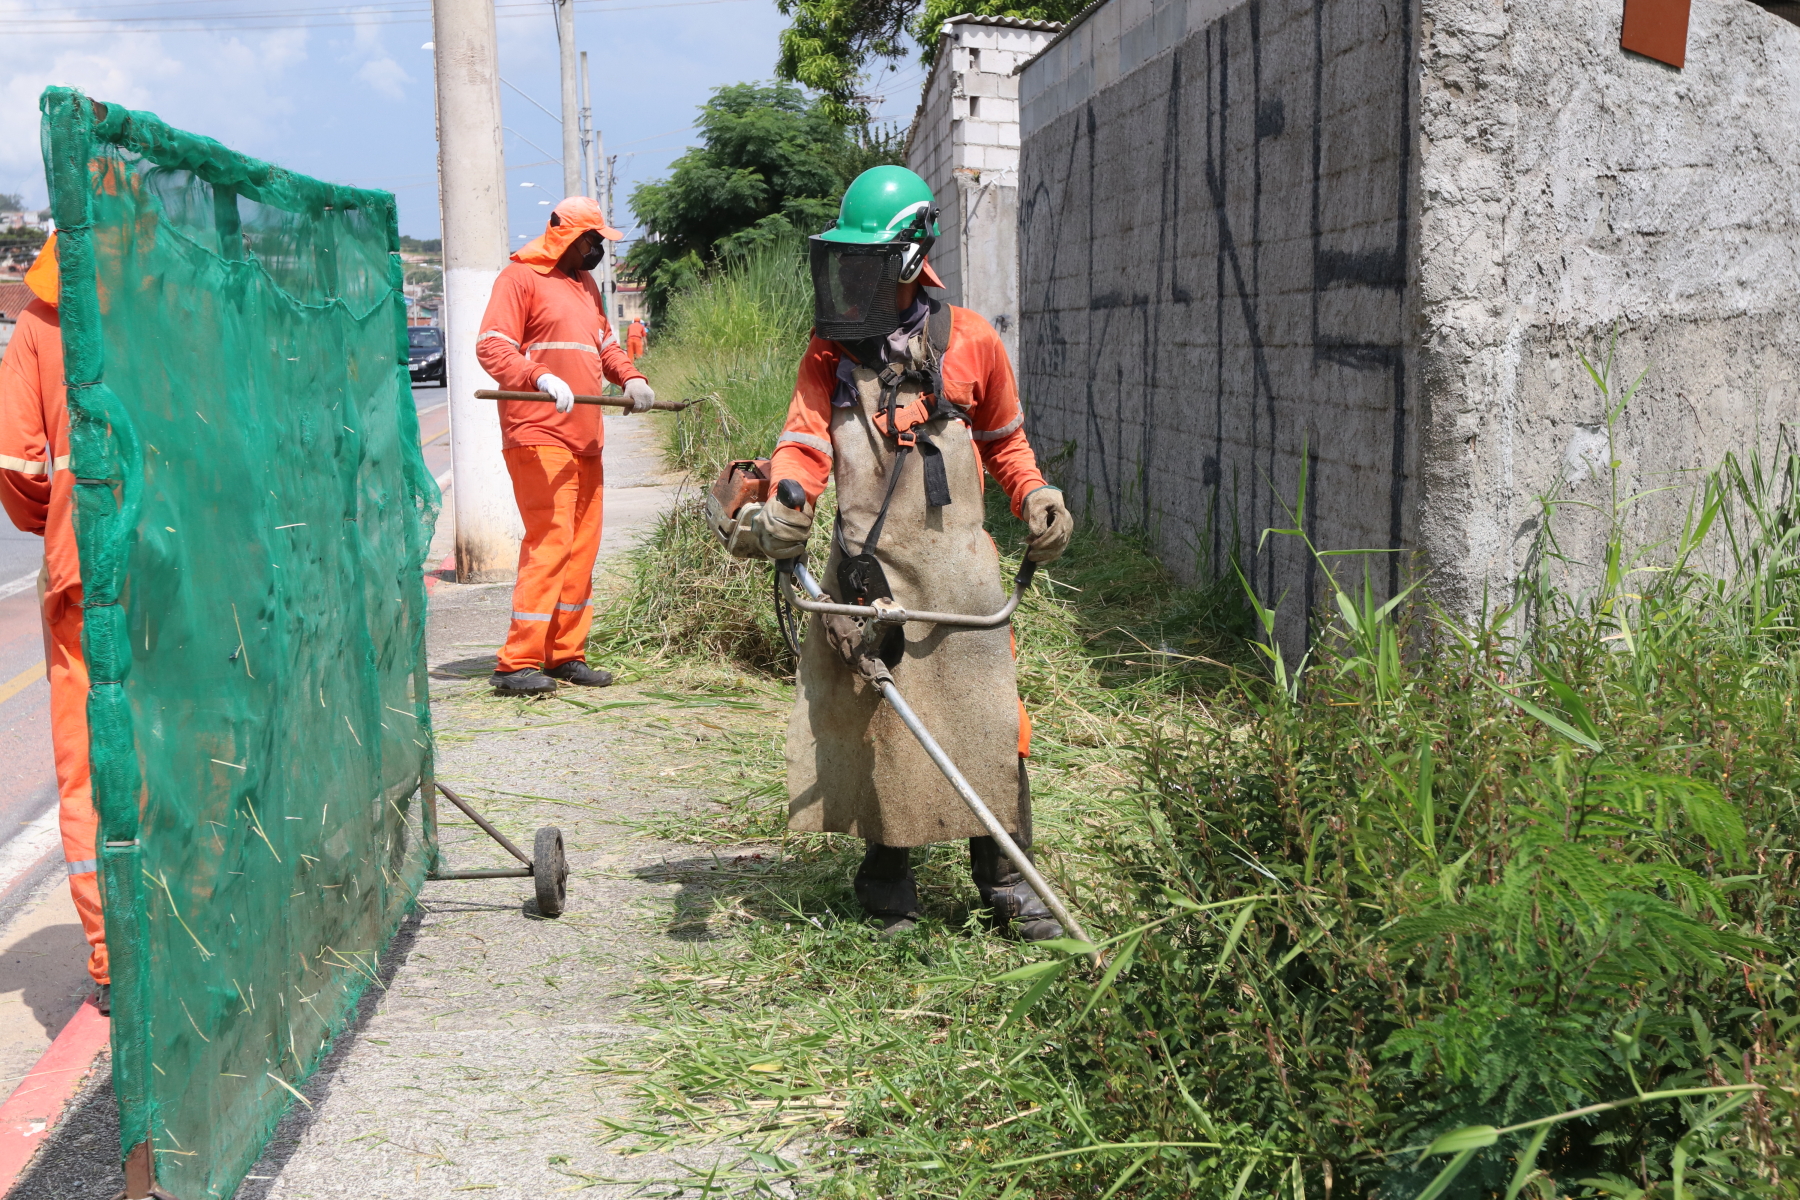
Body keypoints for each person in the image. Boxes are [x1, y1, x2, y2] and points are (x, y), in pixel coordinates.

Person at [729, 167, 1075, 940]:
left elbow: (1004, 443)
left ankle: (1007, 882)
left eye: (867, 262)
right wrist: (787, 502)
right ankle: (889, 887)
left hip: (961, 573)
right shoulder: (830, 353)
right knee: (883, 715)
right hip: (870, 572)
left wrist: (1036, 497)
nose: (849, 280)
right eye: (844, 262)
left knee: (993, 718)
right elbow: (802, 442)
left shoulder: (974, 342)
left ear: (912, 259)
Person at [476, 197, 655, 696]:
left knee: (581, 549)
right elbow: (491, 345)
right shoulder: (520, 278)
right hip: (538, 432)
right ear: (565, 236)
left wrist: (631, 378)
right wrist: (537, 374)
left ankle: (563, 654)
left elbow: (606, 346)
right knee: (550, 543)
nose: (598, 249)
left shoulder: (585, 286)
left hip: (585, 436)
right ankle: (517, 662)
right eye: (592, 240)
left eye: (601, 241)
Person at [0, 234, 110, 1010]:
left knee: (88, 762)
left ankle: (115, 958)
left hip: (84, 565)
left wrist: (60, 523)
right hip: (183, 566)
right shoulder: (170, 309)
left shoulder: (40, 324)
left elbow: (16, 466)